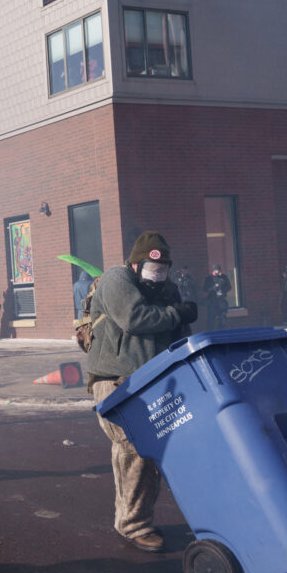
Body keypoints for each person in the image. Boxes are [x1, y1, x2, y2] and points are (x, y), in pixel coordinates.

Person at [86, 232, 197, 553]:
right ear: (134, 265)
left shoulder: (168, 289)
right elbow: (134, 318)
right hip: (115, 378)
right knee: (135, 447)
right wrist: (177, 313)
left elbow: (178, 336)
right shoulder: (116, 278)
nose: (156, 276)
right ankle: (134, 524)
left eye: (162, 270)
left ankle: (130, 516)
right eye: (150, 269)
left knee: (143, 451)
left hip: (155, 379)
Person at [203, 264, 232, 330]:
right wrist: (212, 288)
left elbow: (229, 287)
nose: (218, 271)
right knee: (211, 319)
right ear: (213, 270)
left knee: (222, 318)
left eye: (218, 270)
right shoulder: (209, 278)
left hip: (221, 300)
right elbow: (205, 288)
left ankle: (221, 332)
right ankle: (210, 333)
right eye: (216, 270)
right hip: (212, 300)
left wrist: (223, 290)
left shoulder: (224, 277)